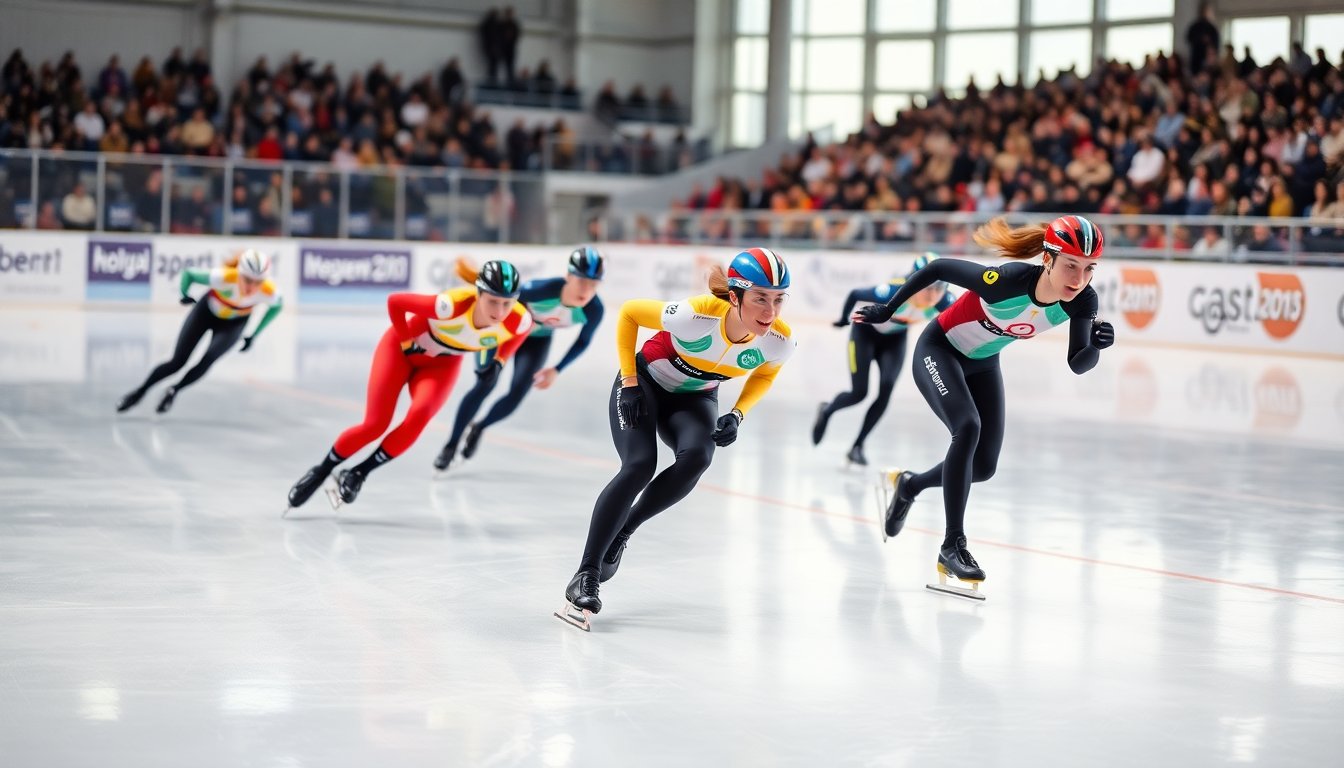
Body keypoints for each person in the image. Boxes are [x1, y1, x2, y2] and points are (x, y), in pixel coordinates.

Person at [854, 216, 1114, 600]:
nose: (1078, 279)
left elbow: (1078, 362)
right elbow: (938, 267)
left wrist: (1096, 346)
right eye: (1071, 266)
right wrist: (889, 309)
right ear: (1048, 258)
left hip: (983, 362)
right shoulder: (1007, 280)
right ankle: (951, 546)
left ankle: (908, 485)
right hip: (939, 349)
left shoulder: (1083, 301)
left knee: (984, 466)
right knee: (968, 427)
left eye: (1089, 268)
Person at [556, 248, 797, 631]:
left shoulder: (779, 340)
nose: (771, 311)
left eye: (779, 299)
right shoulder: (697, 314)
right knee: (638, 466)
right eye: (760, 299)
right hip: (645, 381)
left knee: (698, 457)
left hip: (696, 396)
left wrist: (737, 414)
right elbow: (631, 313)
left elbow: (765, 375)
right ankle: (585, 575)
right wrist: (630, 381)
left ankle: (624, 531)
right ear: (734, 297)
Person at [285, 261, 532, 513]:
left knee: (420, 415)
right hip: (400, 351)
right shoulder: (450, 305)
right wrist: (405, 341)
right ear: (479, 294)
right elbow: (396, 302)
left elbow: (524, 331)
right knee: (375, 424)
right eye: (492, 301)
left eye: (507, 303)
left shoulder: (518, 320)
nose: (500, 311)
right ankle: (322, 470)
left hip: (440, 367)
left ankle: (360, 472)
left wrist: (500, 361)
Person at [435, 247, 606, 470]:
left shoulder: (595, 310)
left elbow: (583, 341)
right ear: (568, 276)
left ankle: (479, 427)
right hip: (505, 334)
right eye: (582, 281)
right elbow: (498, 298)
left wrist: (557, 369)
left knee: (516, 395)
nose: (587, 290)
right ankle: (451, 444)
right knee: (485, 383)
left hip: (536, 341)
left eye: (594, 285)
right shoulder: (540, 290)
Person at [812, 252, 954, 466]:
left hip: (895, 340)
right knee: (859, 393)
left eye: (939, 288)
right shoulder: (893, 291)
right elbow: (854, 294)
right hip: (865, 335)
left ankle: (858, 446)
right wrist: (843, 320)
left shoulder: (945, 302)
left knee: (886, 388)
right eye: (927, 287)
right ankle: (827, 410)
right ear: (914, 281)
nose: (932, 295)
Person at [116, 250, 282, 415]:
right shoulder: (225, 277)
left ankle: (175, 390)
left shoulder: (269, 291)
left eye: (258, 282)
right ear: (239, 274)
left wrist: (255, 334)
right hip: (205, 314)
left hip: (234, 324)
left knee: (207, 360)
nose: (252, 287)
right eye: (247, 280)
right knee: (177, 362)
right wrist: (184, 293)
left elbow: (277, 308)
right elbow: (190, 274)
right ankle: (140, 392)